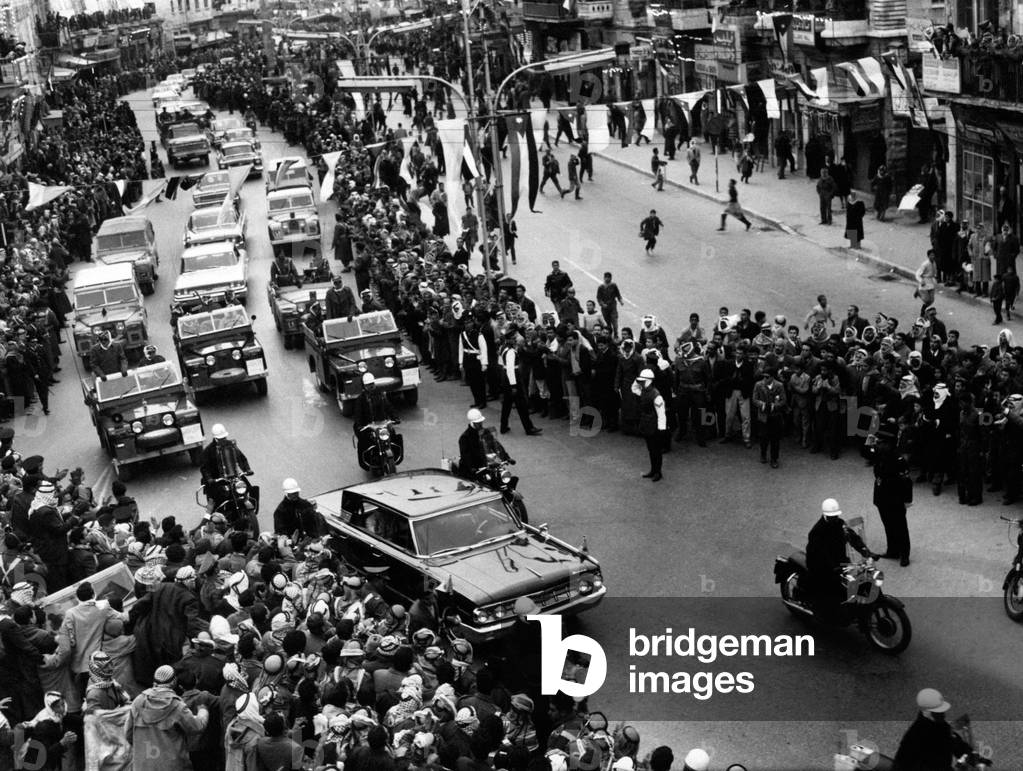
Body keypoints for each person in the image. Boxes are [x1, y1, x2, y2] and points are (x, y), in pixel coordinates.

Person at [125, 665, 210, 771]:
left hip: (144, 765)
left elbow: (128, 734)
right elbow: (197, 727)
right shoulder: (177, 705)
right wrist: (203, 710)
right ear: (174, 682)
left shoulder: (138, 701)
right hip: (172, 765)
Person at [805, 498, 878, 617]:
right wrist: (833, 567)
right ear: (825, 515)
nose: (834, 519)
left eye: (835, 516)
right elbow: (819, 554)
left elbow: (853, 538)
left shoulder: (840, 524)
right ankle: (826, 614)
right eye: (831, 516)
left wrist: (867, 552)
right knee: (833, 591)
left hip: (839, 562)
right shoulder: (817, 531)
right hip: (822, 566)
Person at [893, 689, 974, 771]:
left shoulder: (942, 726)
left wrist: (974, 758)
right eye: (938, 711)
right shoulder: (917, 736)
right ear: (926, 711)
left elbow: (957, 745)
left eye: (942, 710)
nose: (943, 714)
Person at [873, 425, 913, 566]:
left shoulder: (898, 460)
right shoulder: (880, 454)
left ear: (888, 444)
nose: (877, 444)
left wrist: (908, 500)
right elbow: (864, 452)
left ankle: (904, 554)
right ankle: (893, 550)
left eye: (880, 442)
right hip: (882, 496)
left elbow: (907, 482)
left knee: (900, 526)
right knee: (888, 525)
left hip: (895, 498)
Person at [198, 424, 252, 511]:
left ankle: (245, 501)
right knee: (213, 502)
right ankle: (210, 518)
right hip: (216, 480)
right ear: (215, 438)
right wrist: (209, 479)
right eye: (220, 438)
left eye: (224, 437)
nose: (223, 440)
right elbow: (204, 468)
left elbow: (241, 458)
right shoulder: (208, 450)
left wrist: (247, 469)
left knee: (248, 488)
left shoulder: (231, 446)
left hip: (233, 476)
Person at [498, 333, 542, 437]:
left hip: (505, 379)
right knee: (521, 405)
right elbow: (510, 369)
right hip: (512, 379)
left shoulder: (503, 348)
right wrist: (513, 385)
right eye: (513, 339)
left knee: (506, 405)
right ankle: (529, 428)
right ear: (508, 340)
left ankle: (503, 426)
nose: (515, 340)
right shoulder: (511, 352)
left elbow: (502, 365)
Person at [457, 408, 513, 480]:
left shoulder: (485, 432)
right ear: (472, 423)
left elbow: (496, 445)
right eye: (478, 423)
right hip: (473, 469)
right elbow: (466, 455)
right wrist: (472, 468)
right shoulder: (465, 438)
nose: (480, 424)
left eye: (481, 422)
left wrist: (506, 457)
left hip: (486, 465)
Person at [635, 369, 666, 482]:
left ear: (649, 381)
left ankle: (658, 472)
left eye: (643, 381)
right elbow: (633, 387)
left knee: (656, 450)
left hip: (654, 426)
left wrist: (661, 429)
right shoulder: (643, 391)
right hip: (646, 424)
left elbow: (661, 413)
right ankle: (653, 470)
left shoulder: (656, 395)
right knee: (650, 449)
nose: (640, 383)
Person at [753, 367, 786, 468]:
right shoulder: (758, 385)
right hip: (763, 416)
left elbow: (783, 400)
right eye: (763, 377)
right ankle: (763, 454)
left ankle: (774, 459)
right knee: (763, 437)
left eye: (767, 377)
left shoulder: (779, 386)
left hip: (775, 416)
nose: (765, 379)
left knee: (775, 439)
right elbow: (754, 399)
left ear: (772, 377)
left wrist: (773, 406)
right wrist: (762, 405)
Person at [459, 318, 489, 409]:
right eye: (466, 323)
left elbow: (484, 349)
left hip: (476, 360)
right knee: (471, 382)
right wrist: (460, 362)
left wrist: (484, 363)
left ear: (472, 323)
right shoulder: (462, 334)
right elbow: (460, 349)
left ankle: (482, 402)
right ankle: (476, 400)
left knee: (479, 382)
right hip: (467, 359)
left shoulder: (478, 334)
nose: (467, 325)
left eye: (469, 323)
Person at [915, 250, 938, 315]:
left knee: (931, 300)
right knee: (927, 300)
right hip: (925, 281)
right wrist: (921, 280)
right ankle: (918, 292)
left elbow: (934, 271)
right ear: (928, 256)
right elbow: (917, 274)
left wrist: (935, 276)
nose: (933, 257)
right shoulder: (925, 264)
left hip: (931, 281)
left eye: (934, 255)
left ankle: (924, 308)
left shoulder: (934, 263)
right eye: (931, 255)